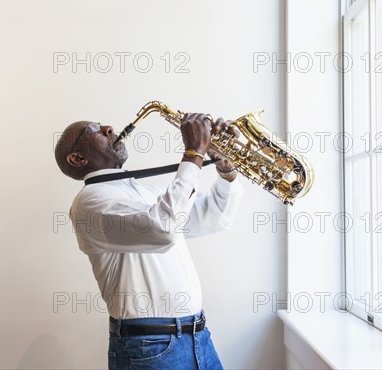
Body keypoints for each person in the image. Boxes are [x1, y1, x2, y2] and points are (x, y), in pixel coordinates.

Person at [55, 113, 244, 369]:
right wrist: (193, 153)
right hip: (151, 345)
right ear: (77, 158)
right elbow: (163, 229)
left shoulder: (145, 192)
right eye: (95, 130)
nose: (110, 128)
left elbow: (213, 216)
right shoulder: (90, 201)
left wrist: (225, 168)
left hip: (197, 335)